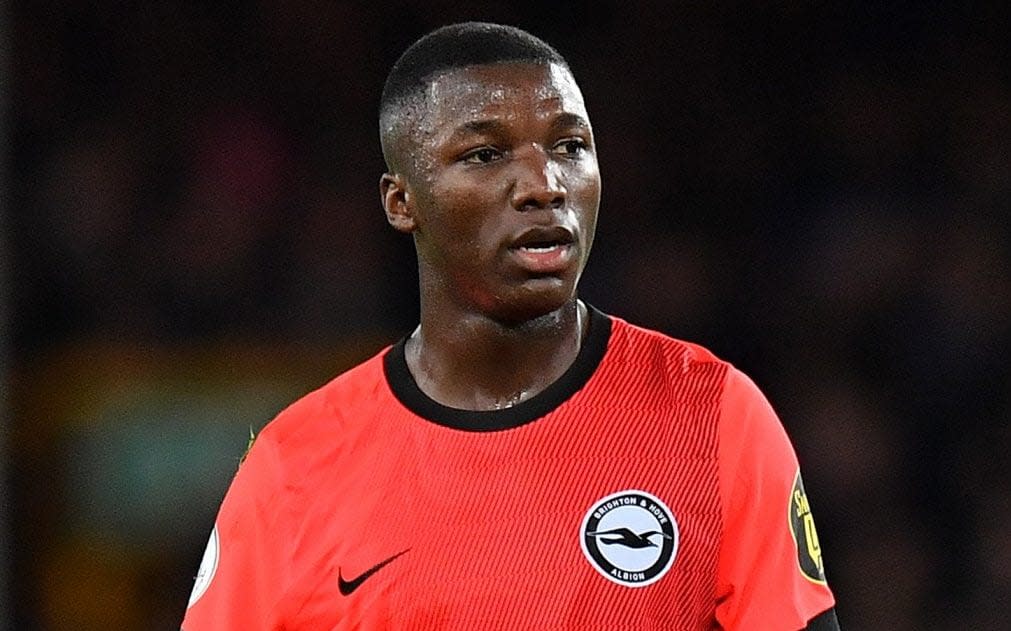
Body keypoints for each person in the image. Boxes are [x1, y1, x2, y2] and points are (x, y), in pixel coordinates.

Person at [181, 21, 839, 630]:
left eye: (570, 145)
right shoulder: (294, 466)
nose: (543, 183)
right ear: (401, 201)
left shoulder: (713, 416)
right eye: (486, 154)